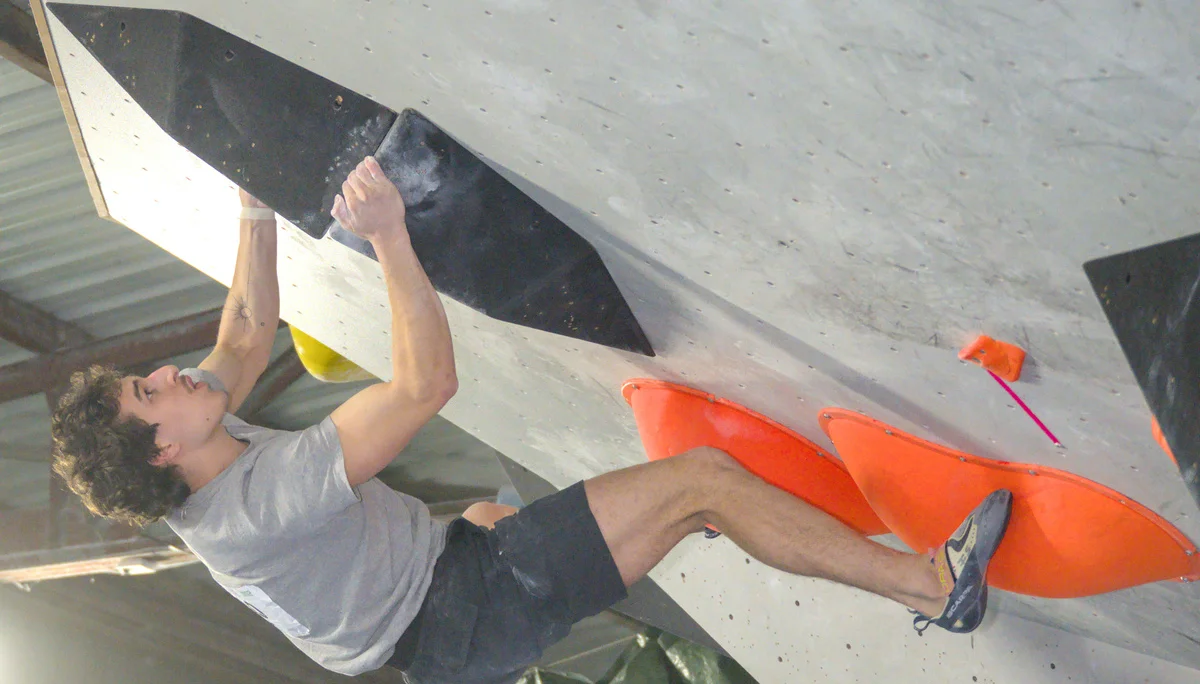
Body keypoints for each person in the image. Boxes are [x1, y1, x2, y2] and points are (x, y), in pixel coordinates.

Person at [51, 157, 1014, 683]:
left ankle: (781, 544)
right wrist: (388, 234)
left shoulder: (197, 445)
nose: (174, 374)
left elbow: (248, 332)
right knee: (701, 484)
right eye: (152, 392)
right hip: (464, 618)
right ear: (163, 446)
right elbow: (427, 387)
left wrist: (252, 203)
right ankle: (933, 588)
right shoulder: (256, 504)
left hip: (444, 591)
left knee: (576, 506)